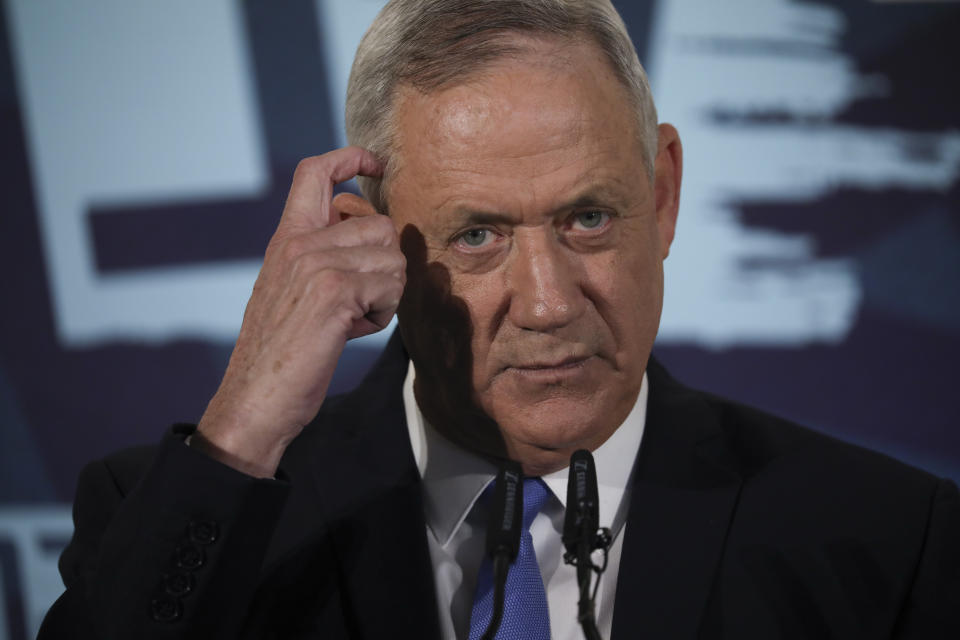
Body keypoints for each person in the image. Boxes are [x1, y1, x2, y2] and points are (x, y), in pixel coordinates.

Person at [39, 0, 960, 638]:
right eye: (476, 236)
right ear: (367, 239)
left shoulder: (889, 541)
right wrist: (243, 426)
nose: (551, 302)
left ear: (665, 193)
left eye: (589, 218)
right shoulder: (179, 525)